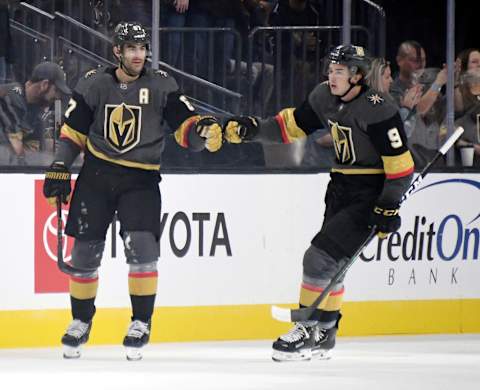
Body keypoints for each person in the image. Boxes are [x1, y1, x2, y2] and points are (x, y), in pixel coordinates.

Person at [41, 22, 223, 361]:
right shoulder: (94, 83)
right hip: (96, 174)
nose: (139, 55)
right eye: (131, 49)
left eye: (142, 48)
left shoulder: (163, 85)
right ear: (117, 52)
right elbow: (73, 133)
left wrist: (203, 132)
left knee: (142, 249)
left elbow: (186, 127)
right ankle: (80, 321)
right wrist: (60, 166)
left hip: (141, 178)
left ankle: (141, 321)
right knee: (83, 255)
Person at [223, 45, 414, 361]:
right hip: (339, 187)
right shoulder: (324, 97)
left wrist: (388, 205)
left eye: (340, 71)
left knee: (317, 258)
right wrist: (252, 130)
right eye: (331, 70)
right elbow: (288, 127)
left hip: (368, 194)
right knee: (333, 265)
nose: (332, 76)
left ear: (358, 76)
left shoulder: (378, 109)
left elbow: (401, 167)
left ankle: (306, 328)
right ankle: (326, 332)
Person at [0, 61, 71, 166]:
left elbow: (34, 155)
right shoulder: (9, 97)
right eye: (56, 91)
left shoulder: (36, 115)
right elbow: (16, 150)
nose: (57, 97)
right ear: (44, 85)